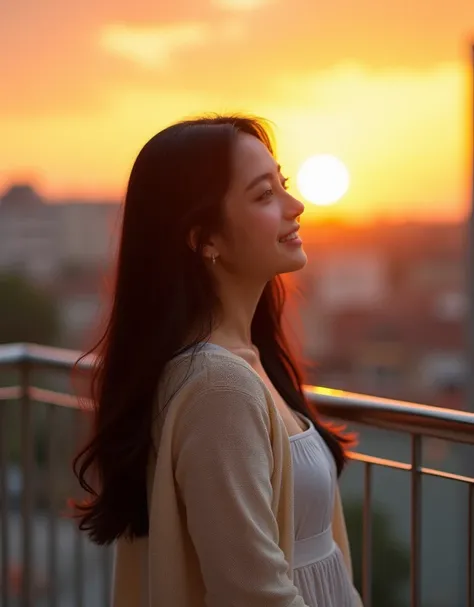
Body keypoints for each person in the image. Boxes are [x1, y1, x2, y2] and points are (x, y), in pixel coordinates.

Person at [73, 115, 362, 607]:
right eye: (263, 195)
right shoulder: (218, 388)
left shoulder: (245, 361)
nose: (297, 206)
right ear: (204, 239)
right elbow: (253, 596)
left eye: (283, 184)